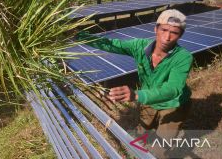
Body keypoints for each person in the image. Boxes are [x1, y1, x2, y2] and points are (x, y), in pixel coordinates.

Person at [77, 9, 193, 157]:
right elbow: (111, 45)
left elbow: (173, 89)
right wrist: (78, 35)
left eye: (174, 33)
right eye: (164, 30)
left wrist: (137, 95)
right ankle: (137, 151)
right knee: (141, 131)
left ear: (180, 35)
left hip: (174, 105)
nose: (167, 37)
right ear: (156, 28)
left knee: (161, 148)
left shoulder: (183, 57)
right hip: (148, 99)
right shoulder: (140, 46)